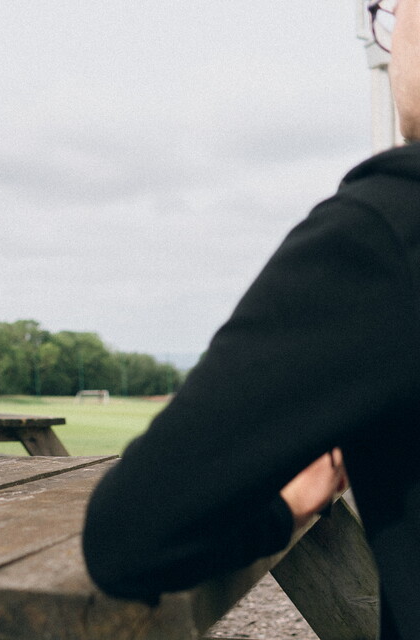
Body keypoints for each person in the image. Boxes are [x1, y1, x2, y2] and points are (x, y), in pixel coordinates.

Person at [82, 1, 420, 637]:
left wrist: (290, 505)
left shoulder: (387, 230)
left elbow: (131, 536)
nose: (390, 35)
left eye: (393, 9)